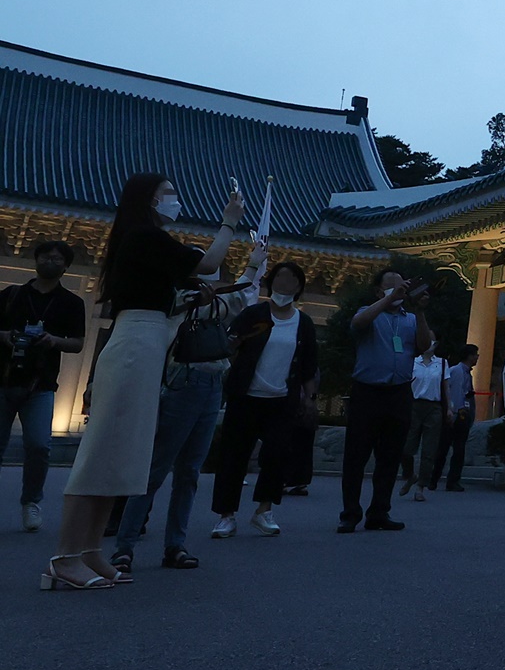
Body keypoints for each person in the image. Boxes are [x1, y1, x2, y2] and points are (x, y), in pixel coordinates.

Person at [45, 173, 243, 591]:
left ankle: (90, 549)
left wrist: (190, 298)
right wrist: (229, 222)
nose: (175, 200)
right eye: (169, 193)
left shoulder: (139, 241)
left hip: (146, 341)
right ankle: (65, 555)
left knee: (125, 452)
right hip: (136, 346)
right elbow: (207, 264)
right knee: (104, 450)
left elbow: (159, 296)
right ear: (152, 199)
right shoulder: (143, 236)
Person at [112, 252, 259, 572]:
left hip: (212, 383)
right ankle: (124, 546)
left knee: (190, 471)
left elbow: (240, 299)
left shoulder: (218, 300)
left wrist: (253, 265)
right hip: (184, 380)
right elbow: (177, 314)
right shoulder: (176, 295)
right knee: (156, 468)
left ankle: (175, 545)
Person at [206, 261, 318, 541]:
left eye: (291, 279)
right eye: (279, 278)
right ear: (270, 283)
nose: (284, 283)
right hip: (246, 395)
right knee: (234, 456)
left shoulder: (302, 323)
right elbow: (228, 344)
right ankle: (226, 515)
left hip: (282, 399)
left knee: (277, 454)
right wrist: (240, 340)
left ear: (299, 286)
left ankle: (264, 509)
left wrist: (310, 398)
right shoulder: (254, 313)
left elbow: (308, 365)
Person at [0, 241, 88, 533]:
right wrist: (6, 336)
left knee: (39, 445)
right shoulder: (13, 295)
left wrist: (53, 341)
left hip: (41, 384)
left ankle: (31, 501)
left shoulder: (72, 303)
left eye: (57, 258)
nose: (50, 262)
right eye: (45, 256)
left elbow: (77, 343)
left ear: (65, 266)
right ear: (35, 260)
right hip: (4, 378)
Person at [338, 269, 432, 534]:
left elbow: (424, 345)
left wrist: (421, 310)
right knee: (356, 456)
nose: (399, 291)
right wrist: (386, 302)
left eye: (403, 286)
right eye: (392, 288)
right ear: (379, 292)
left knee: (390, 457)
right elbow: (357, 323)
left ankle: (379, 512)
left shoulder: (411, 319)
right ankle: (350, 513)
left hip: (399, 393)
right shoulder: (369, 312)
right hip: (367, 392)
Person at [399, 340, 447, 503]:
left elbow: (446, 387)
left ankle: (421, 487)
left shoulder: (442, 363)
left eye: (433, 341)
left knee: (429, 449)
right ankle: (410, 475)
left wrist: (450, 407)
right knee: (406, 447)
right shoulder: (413, 362)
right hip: (414, 405)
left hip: (434, 407)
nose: (430, 343)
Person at [434, 345, 478, 492]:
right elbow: (455, 393)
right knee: (446, 448)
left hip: (460, 414)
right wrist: (454, 411)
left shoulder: (465, 373)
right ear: (469, 356)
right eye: (475, 354)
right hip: (456, 414)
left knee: (456, 449)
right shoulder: (457, 371)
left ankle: (446, 480)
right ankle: (436, 478)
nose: (477, 357)